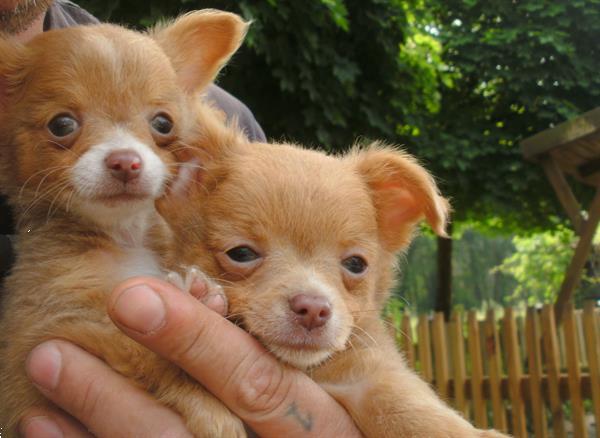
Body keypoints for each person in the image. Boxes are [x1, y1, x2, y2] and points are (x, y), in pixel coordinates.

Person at [0, 1, 361, 436]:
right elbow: (54, 339)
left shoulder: (227, 145)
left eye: (161, 125)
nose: (127, 157)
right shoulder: (56, 267)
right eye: (63, 126)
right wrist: (174, 380)